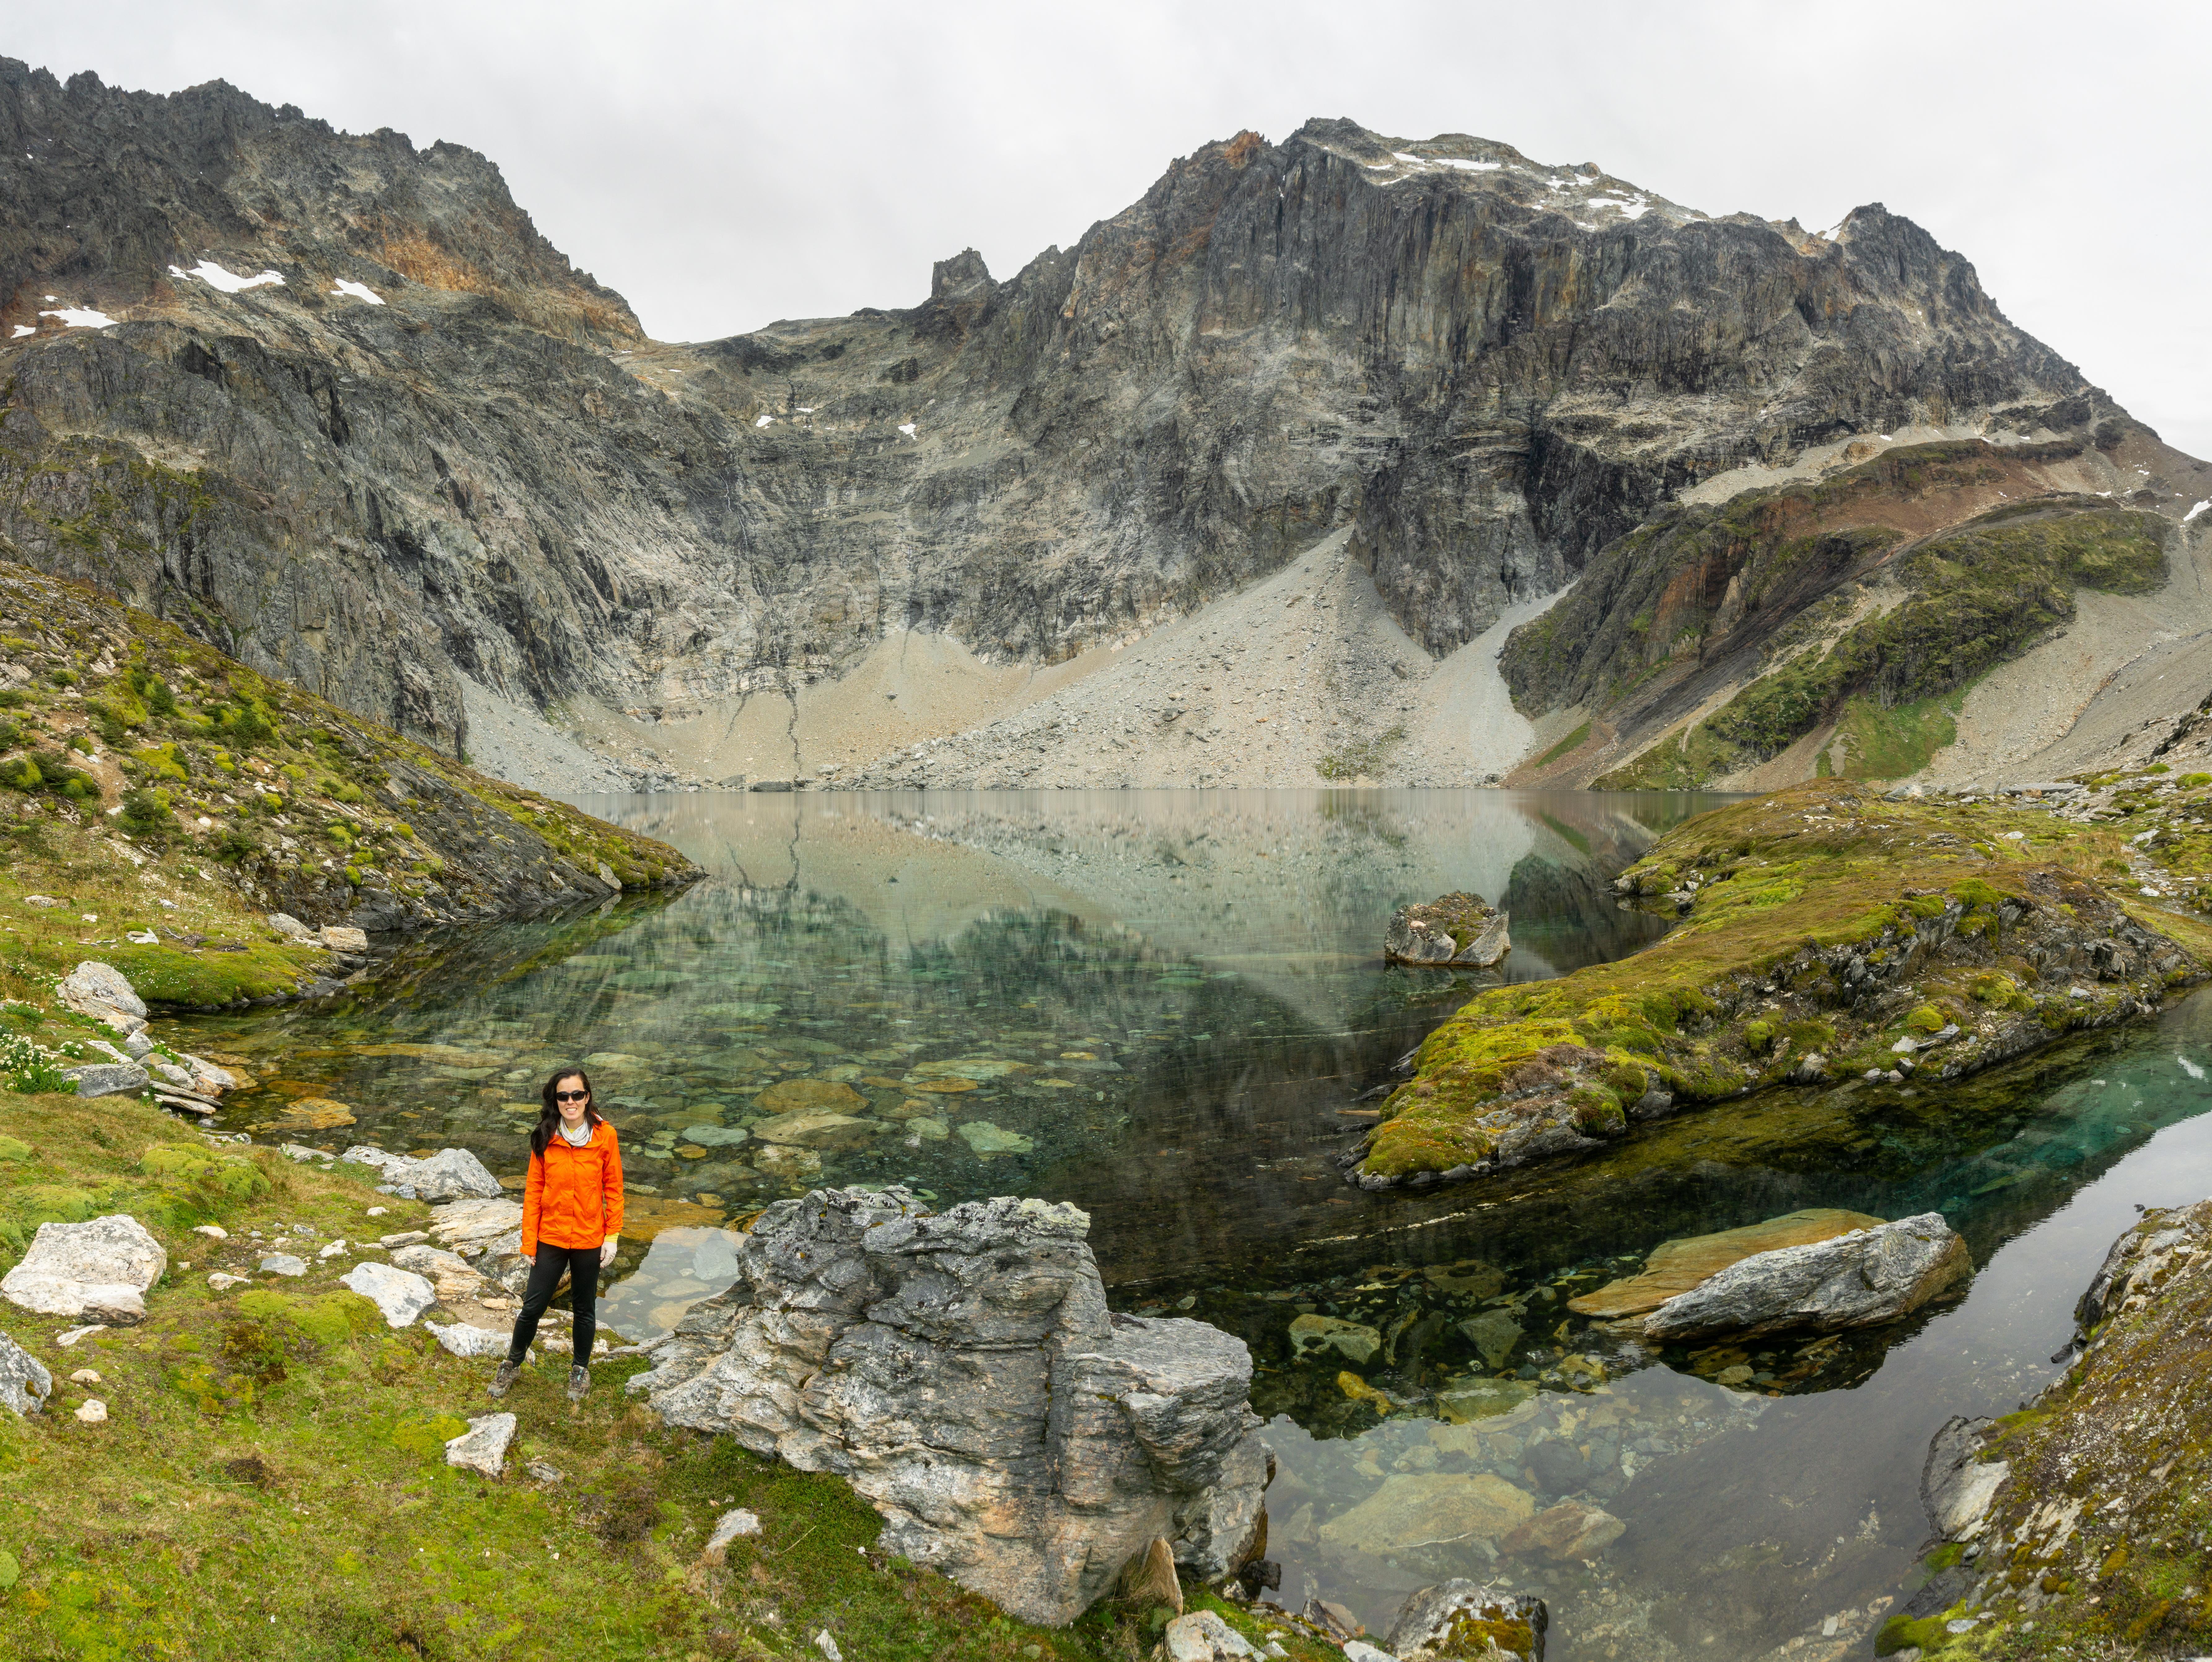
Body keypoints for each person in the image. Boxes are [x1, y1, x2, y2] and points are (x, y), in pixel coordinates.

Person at [489, 1067, 623, 1402]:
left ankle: (580, 1369)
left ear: (587, 1096)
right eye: (563, 1096)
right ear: (556, 1100)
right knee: (533, 1305)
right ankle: (512, 1363)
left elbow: (614, 1189)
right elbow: (534, 1192)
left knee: (584, 1308)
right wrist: (528, 1241)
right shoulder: (545, 1136)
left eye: (577, 1094)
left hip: (590, 1238)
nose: (571, 1101)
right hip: (551, 1236)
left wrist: (613, 1236)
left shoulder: (606, 1136)